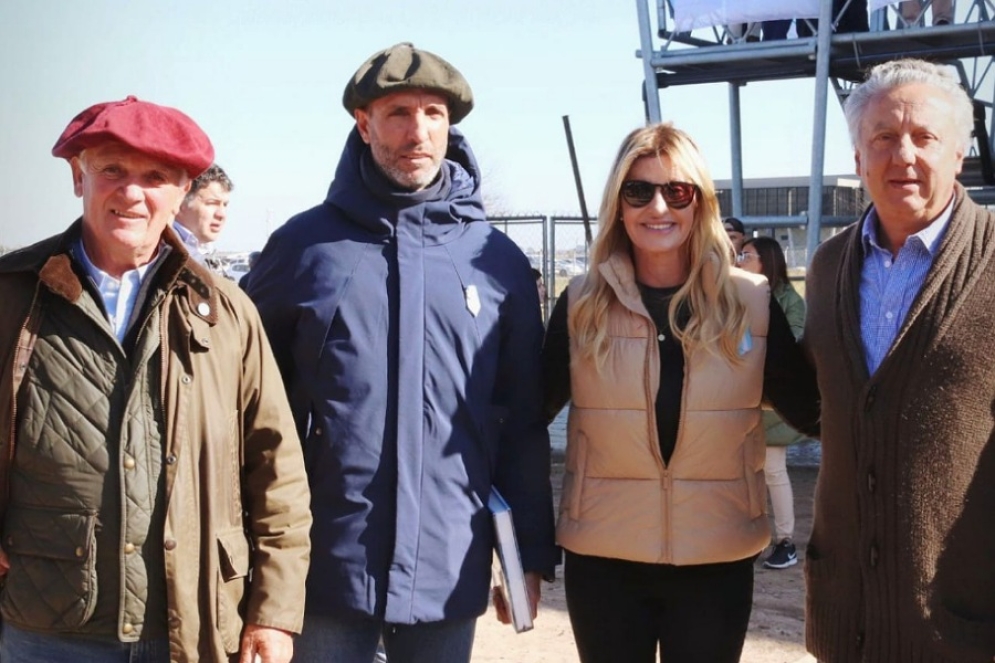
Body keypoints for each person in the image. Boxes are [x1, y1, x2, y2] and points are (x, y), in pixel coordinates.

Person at [242, 43, 557, 663]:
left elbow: (521, 421)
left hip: (448, 563)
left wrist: (526, 554)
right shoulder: (303, 249)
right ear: (363, 124)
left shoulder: (496, 262)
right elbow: (248, 410)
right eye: (398, 113)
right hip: (324, 567)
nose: (418, 132)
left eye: (433, 114)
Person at [0, 96, 312, 662]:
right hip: (46, 627)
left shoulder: (227, 312)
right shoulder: (14, 294)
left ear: (182, 190)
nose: (132, 193)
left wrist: (273, 613)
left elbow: (277, 470)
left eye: (155, 178)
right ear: (78, 176)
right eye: (112, 170)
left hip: (192, 624)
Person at [541, 123, 820, 663]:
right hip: (604, 562)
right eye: (639, 191)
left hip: (716, 560)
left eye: (677, 191)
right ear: (618, 203)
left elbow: (814, 411)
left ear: (700, 202)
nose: (658, 207)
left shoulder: (750, 301)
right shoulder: (580, 302)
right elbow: (528, 413)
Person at [803, 58, 995, 662]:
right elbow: (822, 403)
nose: (903, 155)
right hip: (847, 622)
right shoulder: (829, 266)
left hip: (960, 626)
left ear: (959, 153)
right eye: (883, 137)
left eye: (924, 137)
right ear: (859, 157)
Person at [738, 236, 808, 570]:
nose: (740, 260)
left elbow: (791, 344)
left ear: (766, 260)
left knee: (774, 472)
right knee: (747, 473)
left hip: (772, 401)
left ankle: (785, 541)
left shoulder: (788, 300)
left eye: (747, 256)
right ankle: (755, 538)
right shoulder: (738, 293)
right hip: (742, 398)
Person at [173, 164, 233, 270]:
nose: (221, 214)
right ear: (181, 204)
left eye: (225, 205)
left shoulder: (204, 253)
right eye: (212, 203)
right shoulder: (162, 250)